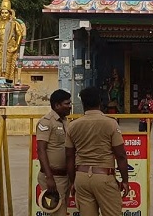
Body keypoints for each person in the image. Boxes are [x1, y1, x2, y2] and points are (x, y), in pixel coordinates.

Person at [65, 86, 129, 216]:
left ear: (83, 103)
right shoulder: (111, 123)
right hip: (104, 177)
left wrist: (73, 182)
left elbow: (69, 157)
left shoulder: (72, 125)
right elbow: (121, 155)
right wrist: (125, 181)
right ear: (100, 102)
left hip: (81, 177)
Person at [36, 89, 73, 216]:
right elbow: (41, 150)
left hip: (65, 176)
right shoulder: (46, 122)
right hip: (53, 177)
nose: (70, 106)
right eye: (67, 104)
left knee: (62, 210)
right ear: (57, 105)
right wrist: (49, 177)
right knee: (58, 213)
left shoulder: (65, 122)